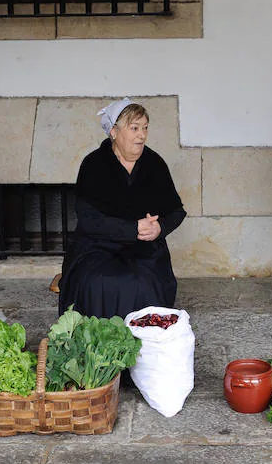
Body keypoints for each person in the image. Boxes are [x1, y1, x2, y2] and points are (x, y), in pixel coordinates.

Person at [58, 99, 186, 319]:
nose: (142, 135)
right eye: (134, 128)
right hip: (96, 247)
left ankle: (145, 345)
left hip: (145, 250)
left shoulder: (154, 164)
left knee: (144, 283)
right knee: (98, 282)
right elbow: (89, 220)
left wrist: (159, 228)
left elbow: (176, 211)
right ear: (114, 132)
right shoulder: (93, 164)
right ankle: (98, 345)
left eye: (145, 128)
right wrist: (132, 228)